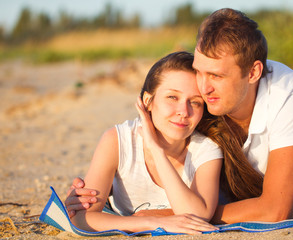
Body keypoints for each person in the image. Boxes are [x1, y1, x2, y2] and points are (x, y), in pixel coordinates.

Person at [65, 8, 293, 224]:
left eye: (217, 75)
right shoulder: (199, 98)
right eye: (199, 70)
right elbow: (157, 128)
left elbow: (276, 209)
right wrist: (93, 189)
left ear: (253, 72)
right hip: (235, 190)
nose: (203, 86)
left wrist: (176, 214)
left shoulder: (285, 90)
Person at [67, 51, 225, 234]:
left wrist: (157, 151)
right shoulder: (117, 141)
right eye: (172, 97)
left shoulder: (206, 149)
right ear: (148, 101)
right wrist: (152, 222)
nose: (184, 111)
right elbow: (82, 218)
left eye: (195, 102)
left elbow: (198, 215)